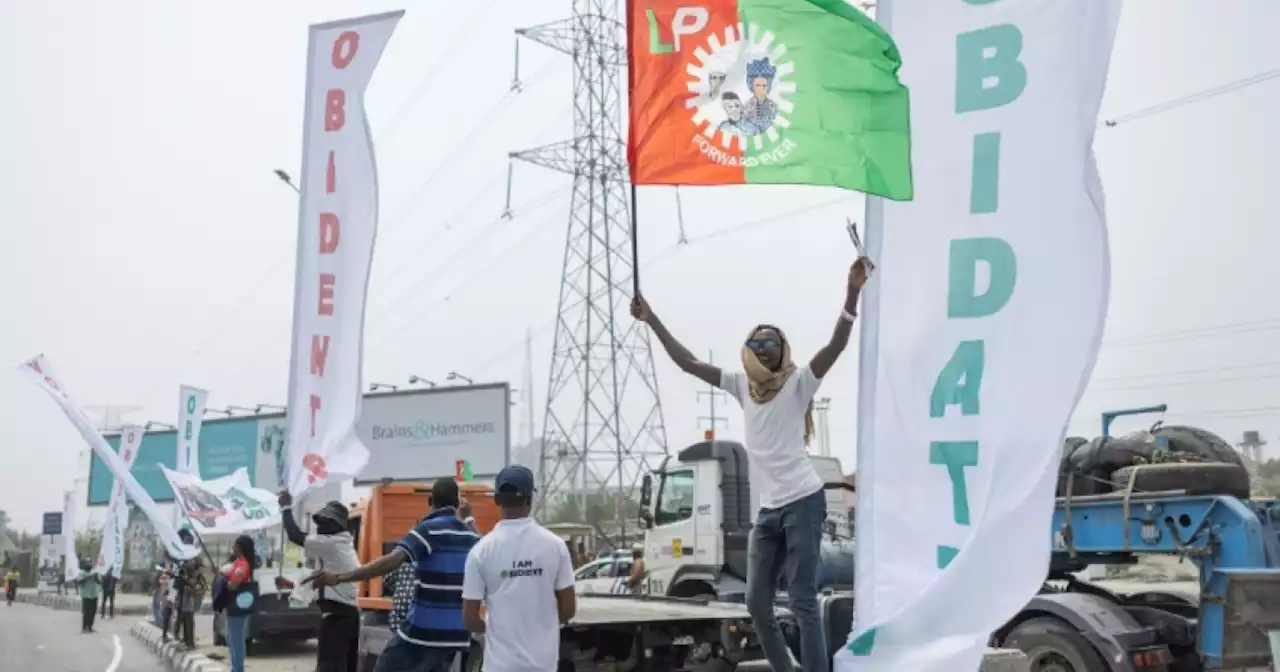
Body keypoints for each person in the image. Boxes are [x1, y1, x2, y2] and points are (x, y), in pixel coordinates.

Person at [630, 255, 871, 672]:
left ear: (781, 353)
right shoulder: (742, 386)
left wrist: (852, 293)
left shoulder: (799, 383)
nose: (762, 349)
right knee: (756, 602)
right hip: (770, 511)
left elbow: (836, 345)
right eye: (756, 344)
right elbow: (688, 363)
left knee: (801, 600)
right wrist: (652, 319)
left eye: (770, 344)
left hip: (803, 501)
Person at [305, 478, 479, 672]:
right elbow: (481, 550)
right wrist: (469, 519)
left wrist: (338, 577)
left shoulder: (426, 530)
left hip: (422, 632)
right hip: (455, 636)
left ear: (431, 501)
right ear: (457, 503)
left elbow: (390, 561)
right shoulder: (471, 537)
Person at [462, 465, 577, 671]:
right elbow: (568, 609)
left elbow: (470, 619)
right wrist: (544, 623)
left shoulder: (480, 551)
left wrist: (498, 629)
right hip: (544, 666)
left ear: (497, 500)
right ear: (529, 499)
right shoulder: (556, 546)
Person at [279, 492, 361, 672]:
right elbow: (318, 583)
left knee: (329, 667)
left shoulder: (331, 544)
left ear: (335, 526)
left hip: (338, 617)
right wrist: (292, 585)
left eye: (326, 522)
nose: (320, 527)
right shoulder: (341, 545)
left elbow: (294, 535)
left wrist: (286, 507)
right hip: (348, 615)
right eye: (321, 522)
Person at [222, 535, 257, 672]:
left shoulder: (242, 564)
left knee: (235, 640)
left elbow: (233, 585)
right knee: (233, 639)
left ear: (240, 547)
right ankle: (236, 668)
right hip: (235, 606)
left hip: (236, 607)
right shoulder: (238, 562)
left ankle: (237, 669)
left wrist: (223, 581)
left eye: (235, 545)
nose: (233, 547)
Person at [76, 560, 102, 633]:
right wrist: (88, 577)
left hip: (94, 594)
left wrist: (95, 577)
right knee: (86, 612)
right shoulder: (81, 573)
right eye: (87, 563)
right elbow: (79, 581)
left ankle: (90, 627)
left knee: (93, 612)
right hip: (86, 595)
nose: (89, 565)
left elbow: (99, 581)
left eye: (90, 563)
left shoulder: (94, 572)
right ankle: (84, 627)